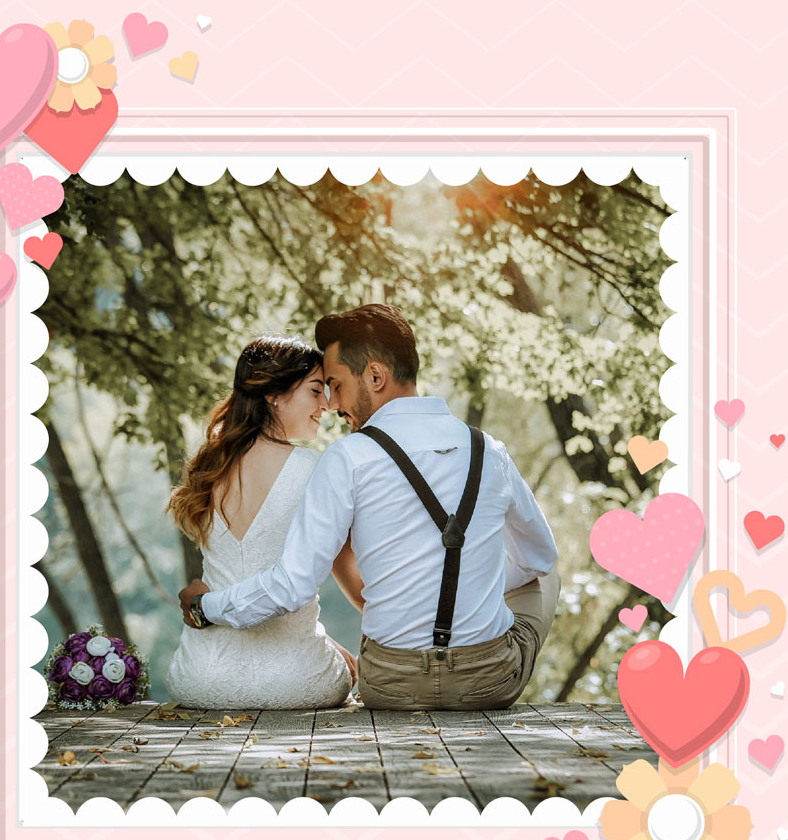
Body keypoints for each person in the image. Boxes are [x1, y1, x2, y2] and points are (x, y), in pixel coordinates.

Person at [179, 303, 560, 711]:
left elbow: (293, 584)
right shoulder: (491, 451)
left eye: (336, 385)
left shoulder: (346, 458)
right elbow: (539, 556)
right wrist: (473, 586)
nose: (332, 403)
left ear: (375, 376)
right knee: (544, 574)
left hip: (390, 685)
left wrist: (206, 607)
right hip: (488, 682)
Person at [164, 335, 361, 709]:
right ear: (273, 394)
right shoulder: (316, 469)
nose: (327, 404)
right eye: (316, 390)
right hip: (297, 681)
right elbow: (345, 583)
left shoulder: (209, 468)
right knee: (344, 670)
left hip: (200, 679)